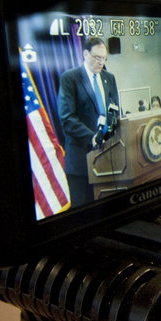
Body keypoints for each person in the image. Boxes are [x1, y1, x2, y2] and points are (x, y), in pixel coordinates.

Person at [57, 37, 120, 208]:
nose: (101, 62)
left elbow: (114, 111)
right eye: (97, 57)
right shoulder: (70, 78)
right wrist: (93, 137)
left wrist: (110, 131)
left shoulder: (109, 78)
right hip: (80, 163)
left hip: (106, 159)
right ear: (85, 54)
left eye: (104, 58)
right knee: (83, 215)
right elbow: (67, 118)